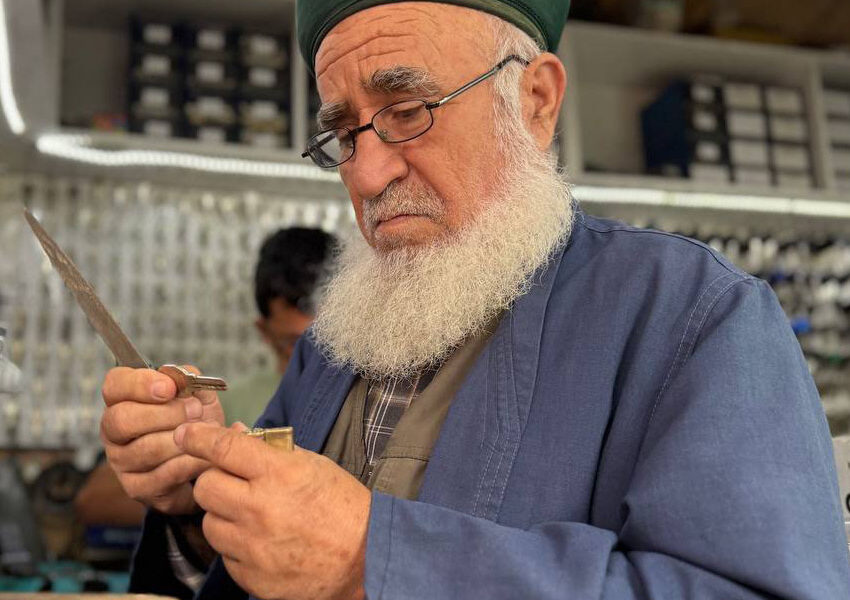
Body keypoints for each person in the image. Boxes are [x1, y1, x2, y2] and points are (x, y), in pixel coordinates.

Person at [99, 2, 850, 599]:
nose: (366, 175)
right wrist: (197, 509)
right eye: (345, 135)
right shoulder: (335, 343)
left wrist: (373, 561)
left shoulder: (694, 316)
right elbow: (261, 561)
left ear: (534, 102)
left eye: (408, 110)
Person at [219, 227, 335, 426]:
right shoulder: (230, 409)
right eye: (294, 344)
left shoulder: (364, 400)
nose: (310, 355)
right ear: (264, 331)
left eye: (327, 342)